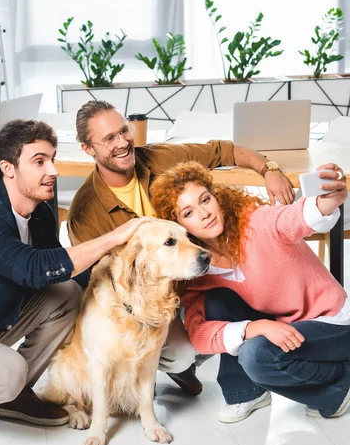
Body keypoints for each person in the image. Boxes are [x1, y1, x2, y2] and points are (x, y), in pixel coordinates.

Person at [67, 100, 295, 396]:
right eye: (109, 138)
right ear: (87, 148)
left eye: (124, 131)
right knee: (182, 354)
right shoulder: (84, 213)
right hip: (149, 306)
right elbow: (98, 286)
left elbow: (226, 151)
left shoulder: (158, 158)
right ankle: (177, 366)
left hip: (200, 279)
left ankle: (264, 359)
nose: (123, 143)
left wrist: (269, 169)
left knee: (247, 293)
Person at [0, 119, 153, 445]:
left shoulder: (41, 213)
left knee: (65, 294)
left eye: (53, 159)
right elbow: (32, 269)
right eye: (40, 161)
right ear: (8, 169)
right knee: (8, 370)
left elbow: (66, 271)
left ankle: (7, 396)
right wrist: (114, 237)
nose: (54, 170)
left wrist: (131, 294)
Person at [150, 160, 350, 423]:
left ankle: (339, 385)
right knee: (218, 301)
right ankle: (248, 392)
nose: (204, 213)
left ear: (216, 197)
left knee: (256, 357)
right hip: (285, 326)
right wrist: (255, 328)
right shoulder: (198, 271)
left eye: (205, 200)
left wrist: (327, 201)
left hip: (333, 322)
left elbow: (293, 217)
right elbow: (198, 333)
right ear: (179, 226)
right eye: (188, 213)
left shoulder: (256, 222)